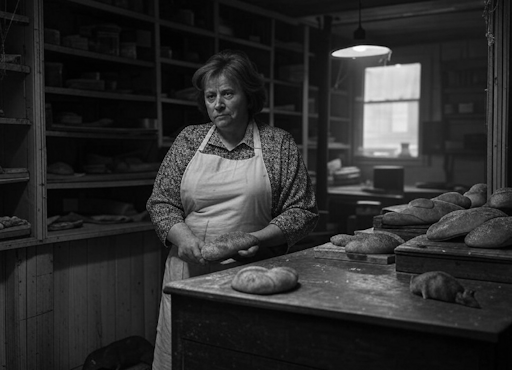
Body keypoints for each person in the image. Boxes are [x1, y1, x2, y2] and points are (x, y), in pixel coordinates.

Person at [146, 49, 319, 369]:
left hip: (254, 272)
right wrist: (184, 239)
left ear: (249, 96)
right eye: (211, 96)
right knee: (188, 354)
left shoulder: (276, 143)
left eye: (228, 93)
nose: (218, 104)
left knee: (244, 355)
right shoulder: (189, 139)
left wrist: (252, 239)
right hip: (189, 271)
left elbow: (302, 211)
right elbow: (162, 203)